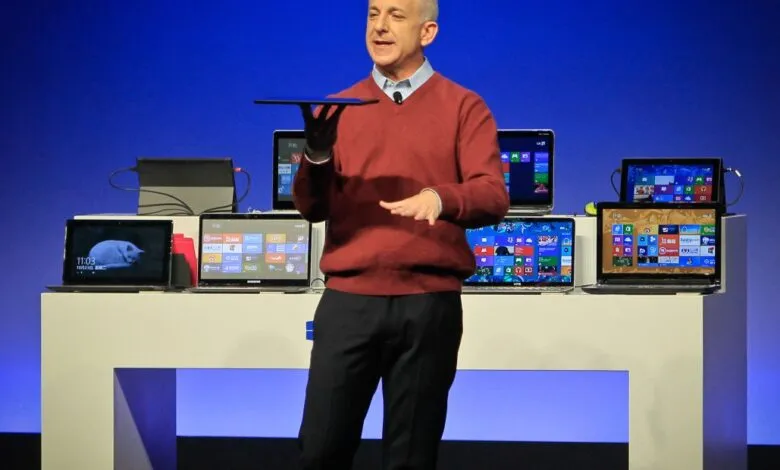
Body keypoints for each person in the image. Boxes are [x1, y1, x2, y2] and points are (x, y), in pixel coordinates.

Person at [292, 0, 509, 468]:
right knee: (320, 449)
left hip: (428, 302)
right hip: (350, 302)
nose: (380, 27)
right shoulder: (338, 108)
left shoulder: (464, 107)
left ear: (427, 32)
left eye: (395, 15)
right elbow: (312, 208)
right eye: (372, 14)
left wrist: (441, 199)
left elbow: (492, 195)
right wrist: (315, 158)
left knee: (411, 456)